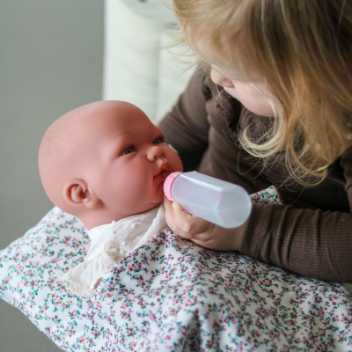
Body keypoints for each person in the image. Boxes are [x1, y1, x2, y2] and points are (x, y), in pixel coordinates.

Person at [159, 0, 352, 282]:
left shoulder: (343, 129)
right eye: (210, 61)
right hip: (196, 257)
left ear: (314, 75)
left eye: (236, 72)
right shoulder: (222, 82)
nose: (216, 77)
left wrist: (242, 231)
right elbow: (178, 135)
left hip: (286, 280)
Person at [38, 100, 182, 294]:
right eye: (128, 150)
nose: (157, 150)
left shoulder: (185, 190)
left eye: (157, 139)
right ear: (83, 193)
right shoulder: (111, 258)